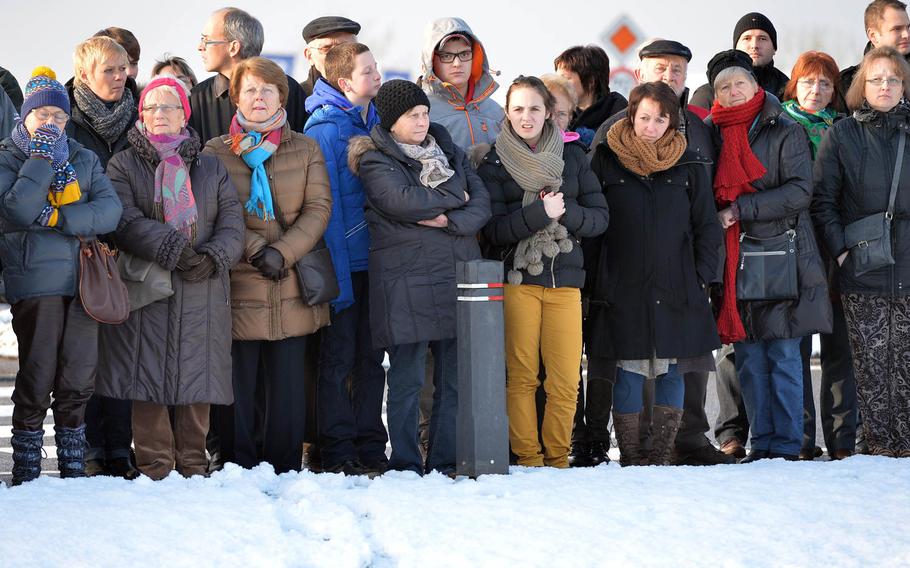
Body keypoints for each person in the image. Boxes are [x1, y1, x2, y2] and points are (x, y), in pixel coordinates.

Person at [589, 39, 731, 467]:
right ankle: (632, 452)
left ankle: (664, 449)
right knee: (629, 369)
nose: (651, 126)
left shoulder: (689, 163)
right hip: (623, 282)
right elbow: (595, 227)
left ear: (672, 122)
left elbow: (707, 223)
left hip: (678, 281)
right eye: (644, 117)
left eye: (660, 119)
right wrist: (599, 280)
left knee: (673, 369)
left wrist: (703, 274)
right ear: (632, 116)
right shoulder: (606, 159)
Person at [96, 76, 244, 480]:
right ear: (141, 115)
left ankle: (194, 464)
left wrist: (213, 256)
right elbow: (123, 219)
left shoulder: (211, 166)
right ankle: (155, 465)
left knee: (199, 378)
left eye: (168, 107)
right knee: (146, 377)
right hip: (149, 287)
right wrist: (172, 248)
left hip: (204, 287)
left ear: (185, 115)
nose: (159, 114)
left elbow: (233, 223)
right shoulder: (123, 163)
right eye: (151, 108)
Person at [348, 79, 491, 474]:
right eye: (413, 115)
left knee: (452, 378)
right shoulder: (376, 158)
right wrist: (455, 202)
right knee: (408, 378)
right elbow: (401, 202)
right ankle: (406, 461)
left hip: (455, 275)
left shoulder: (450, 150)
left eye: (425, 112)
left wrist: (444, 218)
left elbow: (480, 205)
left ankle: (445, 457)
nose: (423, 120)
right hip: (405, 281)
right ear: (392, 121)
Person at [204, 56, 332, 473]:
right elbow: (217, 214)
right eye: (250, 90)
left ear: (282, 95)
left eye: (268, 90)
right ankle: (237, 463)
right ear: (237, 98)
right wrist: (259, 250)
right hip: (241, 281)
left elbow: (319, 208)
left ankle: (283, 465)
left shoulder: (306, 147)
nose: (259, 98)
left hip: (292, 280)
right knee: (238, 382)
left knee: (289, 384)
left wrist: (284, 252)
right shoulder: (215, 152)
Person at [706, 49, 832, 463]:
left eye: (739, 82)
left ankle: (788, 444)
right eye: (724, 87)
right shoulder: (712, 132)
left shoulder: (784, 127)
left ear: (755, 85)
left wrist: (742, 209)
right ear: (716, 94)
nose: (733, 91)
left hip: (782, 255)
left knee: (781, 354)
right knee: (749, 358)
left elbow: (799, 192)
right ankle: (762, 443)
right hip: (734, 258)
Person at [477, 75, 608, 468]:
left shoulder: (572, 157)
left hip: (565, 281)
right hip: (520, 282)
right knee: (521, 378)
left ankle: (557, 458)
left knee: (566, 380)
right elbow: (493, 231)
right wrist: (538, 214)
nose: (526, 116)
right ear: (507, 113)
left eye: (534, 108)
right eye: (517, 109)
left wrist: (566, 211)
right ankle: (529, 457)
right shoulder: (494, 162)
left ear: (549, 113)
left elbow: (600, 218)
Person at [0, 67, 122, 485]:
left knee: (79, 375)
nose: (50, 123)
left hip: (85, 281)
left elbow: (109, 212)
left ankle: (73, 467)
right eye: (41, 115)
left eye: (58, 116)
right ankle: (28, 468)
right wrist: (40, 158)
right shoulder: (7, 156)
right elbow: (15, 209)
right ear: (25, 117)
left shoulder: (84, 157)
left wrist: (55, 216)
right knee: (37, 372)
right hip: (35, 281)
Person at [813, 46, 910, 458]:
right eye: (876, 79)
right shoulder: (843, 134)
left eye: (893, 78)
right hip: (862, 266)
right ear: (862, 86)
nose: (885, 85)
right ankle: (877, 449)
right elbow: (823, 201)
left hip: (908, 266)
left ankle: (905, 449)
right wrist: (840, 253)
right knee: (870, 368)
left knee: (905, 367)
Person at [303, 42, 388, 476]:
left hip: (376, 263)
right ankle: (337, 449)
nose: (377, 74)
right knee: (337, 360)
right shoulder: (325, 129)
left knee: (372, 359)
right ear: (344, 82)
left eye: (376, 67)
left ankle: (372, 443)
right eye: (368, 70)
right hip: (343, 267)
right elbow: (326, 211)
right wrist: (337, 280)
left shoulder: (375, 120)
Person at [66, 35, 140, 478]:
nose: (120, 77)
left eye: (124, 68)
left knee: (125, 354)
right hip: (83, 254)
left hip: (132, 251)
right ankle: (93, 448)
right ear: (84, 75)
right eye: (109, 70)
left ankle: (121, 446)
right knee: (85, 356)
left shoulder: (140, 118)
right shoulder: (67, 122)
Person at [779, 51, 858, 461]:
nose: (817, 90)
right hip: (792, 246)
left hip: (837, 246)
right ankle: (801, 437)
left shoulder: (846, 130)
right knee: (795, 345)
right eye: (808, 81)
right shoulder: (778, 125)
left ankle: (843, 439)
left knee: (839, 347)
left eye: (825, 83)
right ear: (794, 84)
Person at [191, 7, 308, 144]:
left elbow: (302, 150)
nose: (200, 47)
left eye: (207, 40)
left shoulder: (289, 89)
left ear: (234, 47)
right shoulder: (197, 98)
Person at [418, 17, 504, 149]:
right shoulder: (421, 111)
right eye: (446, 56)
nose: (457, 63)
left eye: (464, 54)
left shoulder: (497, 112)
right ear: (431, 61)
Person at [691, 13, 789, 111]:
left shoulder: (790, 91)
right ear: (735, 46)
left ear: (774, 48)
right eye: (747, 38)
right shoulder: (707, 94)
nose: (754, 45)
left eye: (762, 39)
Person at [554, 45, 628, 147]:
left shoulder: (618, 111)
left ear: (590, 81)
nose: (559, 84)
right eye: (557, 79)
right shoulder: (557, 113)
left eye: (566, 78)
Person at [841, 1, 910, 94]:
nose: (907, 34)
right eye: (897, 29)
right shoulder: (846, 84)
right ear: (873, 36)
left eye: (908, 27)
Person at [300, 16, 361, 98]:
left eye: (345, 48)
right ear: (309, 56)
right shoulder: (294, 98)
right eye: (326, 48)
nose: (336, 55)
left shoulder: (376, 98)